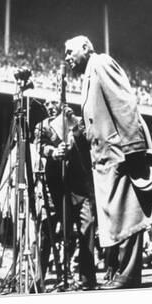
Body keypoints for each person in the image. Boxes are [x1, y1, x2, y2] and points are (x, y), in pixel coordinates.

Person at [64, 35, 152, 289]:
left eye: (69, 51)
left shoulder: (101, 63)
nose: (66, 58)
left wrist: (133, 149)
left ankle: (129, 274)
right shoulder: (88, 74)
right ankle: (120, 272)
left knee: (129, 214)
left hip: (119, 154)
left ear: (85, 48)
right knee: (117, 217)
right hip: (104, 158)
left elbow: (124, 103)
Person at [38, 100, 96, 290]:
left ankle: (87, 279)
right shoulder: (43, 126)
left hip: (80, 185)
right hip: (56, 186)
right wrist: (53, 152)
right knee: (50, 232)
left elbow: (89, 142)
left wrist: (74, 127)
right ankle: (42, 277)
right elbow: (39, 146)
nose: (50, 105)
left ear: (62, 102)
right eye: (46, 103)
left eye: (53, 101)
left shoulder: (77, 121)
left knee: (87, 228)